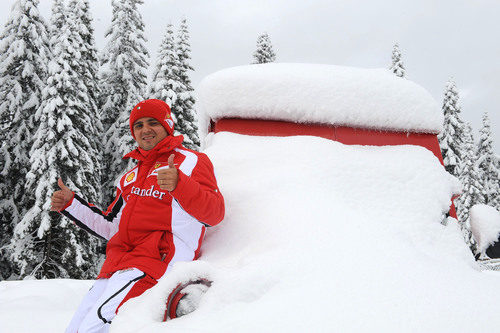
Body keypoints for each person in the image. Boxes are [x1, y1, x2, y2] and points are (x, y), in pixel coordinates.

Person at [51, 99, 225, 333]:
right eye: (139, 125)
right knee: (76, 328)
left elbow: (214, 213)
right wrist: (72, 204)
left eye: (153, 123)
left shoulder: (191, 162)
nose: (145, 130)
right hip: (117, 264)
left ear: (167, 125)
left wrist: (179, 184)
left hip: (157, 260)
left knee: (97, 327)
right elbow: (113, 227)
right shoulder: (130, 177)